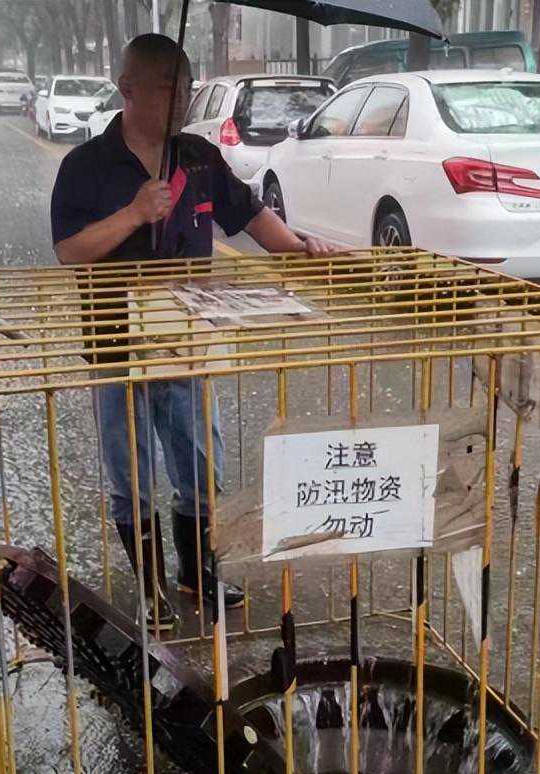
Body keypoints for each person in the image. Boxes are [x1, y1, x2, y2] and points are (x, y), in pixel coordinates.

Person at [51, 33, 335, 632]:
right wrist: (133, 213)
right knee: (130, 472)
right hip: (118, 345)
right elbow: (70, 252)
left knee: (199, 466)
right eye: (168, 87)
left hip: (185, 341)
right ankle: (151, 586)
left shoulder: (201, 159)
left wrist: (302, 249)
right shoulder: (85, 167)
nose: (182, 99)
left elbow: (254, 219)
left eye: (187, 84)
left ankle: (197, 574)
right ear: (128, 89)